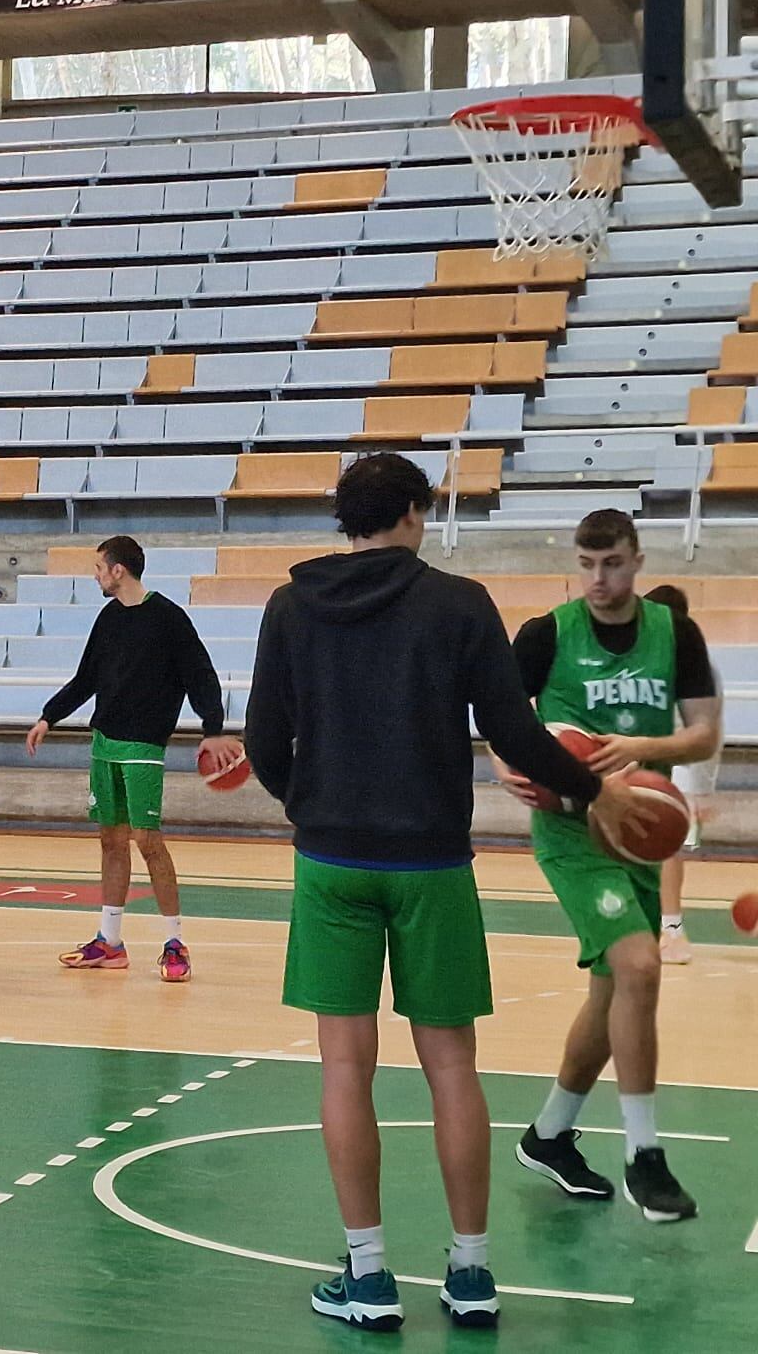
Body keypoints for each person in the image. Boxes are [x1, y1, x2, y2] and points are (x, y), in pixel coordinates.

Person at [246, 454, 654, 1333]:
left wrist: (311, 805)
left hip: (331, 861)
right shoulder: (460, 603)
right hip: (431, 862)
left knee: (345, 1067)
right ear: (411, 511)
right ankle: (470, 1274)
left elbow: (263, 743)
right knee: (452, 1067)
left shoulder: (289, 606)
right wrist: (595, 791)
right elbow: (516, 732)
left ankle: (367, 1277)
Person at [497, 512, 720, 1223]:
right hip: (573, 834)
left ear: (637, 560)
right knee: (641, 967)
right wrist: (508, 766)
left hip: (640, 832)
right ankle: (644, 1156)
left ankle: (548, 1135)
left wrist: (641, 751)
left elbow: (705, 735)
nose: (600, 578)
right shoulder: (547, 634)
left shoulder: (675, 633)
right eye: (588, 564)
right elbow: (501, 720)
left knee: (612, 992)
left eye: (614, 563)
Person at [23, 535, 241, 983]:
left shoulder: (168, 618)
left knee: (148, 841)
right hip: (105, 743)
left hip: (143, 747)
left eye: (99, 568)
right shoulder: (107, 619)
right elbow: (85, 679)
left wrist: (213, 729)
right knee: (110, 840)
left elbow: (201, 676)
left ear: (117, 570)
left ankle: (175, 943)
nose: (96, 576)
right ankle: (110, 941)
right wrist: (49, 716)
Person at [640, 584, 719, 966]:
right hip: (639, 760)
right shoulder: (635, 658)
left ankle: (671, 927)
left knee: (667, 845)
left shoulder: (695, 663)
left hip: (680, 763)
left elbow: (709, 729)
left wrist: (702, 789)